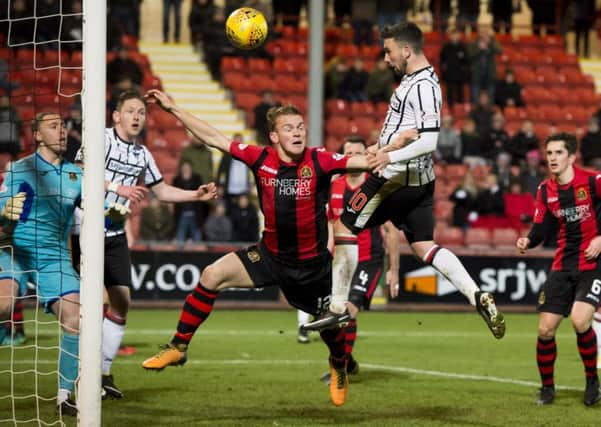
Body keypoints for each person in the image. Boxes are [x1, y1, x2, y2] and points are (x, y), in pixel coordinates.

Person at [140, 90, 374, 407]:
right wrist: (173, 108)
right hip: (270, 256)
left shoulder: (320, 160)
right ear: (274, 136)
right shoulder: (260, 158)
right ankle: (178, 347)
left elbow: (361, 161)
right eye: (289, 128)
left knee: (330, 326)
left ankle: (338, 364)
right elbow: (214, 138)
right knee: (212, 275)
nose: (297, 132)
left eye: (300, 126)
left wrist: (387, 152)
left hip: (311, 268)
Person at [302, 22, 506, 343]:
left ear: (407, 51)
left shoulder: (424, 85)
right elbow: (409, 133)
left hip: (394, 180)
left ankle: (338, 306)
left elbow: (429, 142)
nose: (386, 58)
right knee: (424, 246)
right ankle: (476, 294)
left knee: (344, 228)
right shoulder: (416, 80)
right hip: (419, 182)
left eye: (389, 51)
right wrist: (383, 147)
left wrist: (387, 158)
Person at [77, 90, 218, 400]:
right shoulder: (99, 138)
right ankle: (79, 376)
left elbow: (163, 191)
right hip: (82, 228)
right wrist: (116, 187)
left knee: (122, 300)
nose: (137, 116)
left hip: (112, 231)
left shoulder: (142, 154)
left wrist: (196, 195)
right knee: (86, 305)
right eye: (130, 111)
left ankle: (102, 372)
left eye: (141, 111)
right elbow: (80, 172)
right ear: (116, 116)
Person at [0, 112, 84, 415]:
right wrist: (6, 215)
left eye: (63, 126)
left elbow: (99, 209)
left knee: (76, 319)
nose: (62, 130)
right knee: (3, 306)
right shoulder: (19, 169)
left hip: (54, 257)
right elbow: (1, 221)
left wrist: (113, 212)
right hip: (14, 250)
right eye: (53, 126)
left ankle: (65, 396)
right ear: (37, 135)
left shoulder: (76, 175)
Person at [516, 132, 601, 406]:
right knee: (545, 330)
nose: (552, 158)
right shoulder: (545, 190)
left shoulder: (592, 181)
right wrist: (528, 240)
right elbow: (542, 227)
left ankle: (592, 383)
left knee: (580, 321)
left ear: (572, 157)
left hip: (593, 264)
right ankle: (547, 389)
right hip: (563, 265)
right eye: (549, 153)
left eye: (558, 153)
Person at [318, 135, 401, 385]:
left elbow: (392, 232)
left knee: (347, 311)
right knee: (333, 314)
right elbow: (331, 226)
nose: (353, 157)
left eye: (358, 152)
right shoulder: (334, 187)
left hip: (368, 259)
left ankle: (340, 365)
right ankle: (348, 362)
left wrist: (394, 270)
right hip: (342, 261)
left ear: (367, 156)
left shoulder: (376, 186)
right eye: (348, 152)